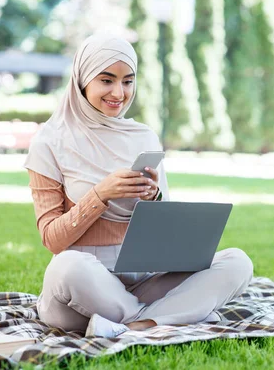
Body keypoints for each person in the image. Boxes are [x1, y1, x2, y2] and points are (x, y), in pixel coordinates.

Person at [24, 34, 253, 338]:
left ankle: (136, 325)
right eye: (106, 80)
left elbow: (165, 235)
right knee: (66, 266)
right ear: (82, 81)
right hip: (84, 290)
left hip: (145, 281)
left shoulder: (143, 137)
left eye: (128, 81)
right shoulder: (49, 142)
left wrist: (154, 199)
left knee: (237, 262)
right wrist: (100, 194)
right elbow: (53, 240)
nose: (119, 92)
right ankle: (173, 316)